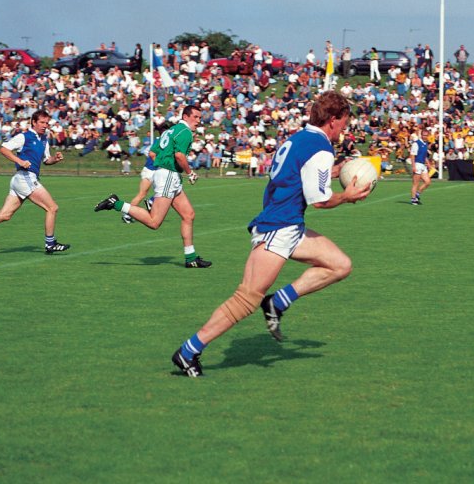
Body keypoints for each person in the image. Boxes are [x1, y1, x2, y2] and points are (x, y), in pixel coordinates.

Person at [171, 91, 371, 378]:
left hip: (289, 226)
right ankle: (188, 351)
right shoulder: (321, 148)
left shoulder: (299, 138)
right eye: (344, 122)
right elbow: (320, 199)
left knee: (340, 265)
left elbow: (294, 175)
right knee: (246, 298)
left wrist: (336, 168)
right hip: (278, 228)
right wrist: (347, 197)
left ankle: (278, 302)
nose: (345, 129)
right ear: (333, 119)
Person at [94, 105, 211, 268]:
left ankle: (190, 258)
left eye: (200, 117)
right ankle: (116, 203)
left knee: (188, 215)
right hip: (169, 175)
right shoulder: (185, 132)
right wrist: (190, 172)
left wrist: (164, 165)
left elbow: (153, 152)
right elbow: (179, 155)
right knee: (154, 222)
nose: (199, 121)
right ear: (185, 117)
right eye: (196, 117)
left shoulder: (170, 131)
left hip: (167, 175)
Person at [0, 110, 70, 255]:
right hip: (25, 178)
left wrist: (55, 159)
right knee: (52, 208)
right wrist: (19, 161)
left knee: (5, 214)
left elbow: (46, 160)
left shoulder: (44, 139)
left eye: (47, 123)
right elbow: (3, 149)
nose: (45, 125)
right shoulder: (24, 137)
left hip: (22, 180)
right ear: (34, 122)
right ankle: (50, 244)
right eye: (42, 122)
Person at [409, 130, 431, 205]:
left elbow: (424, 156)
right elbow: (412, 155)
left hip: (423, 165)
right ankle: (413, 199)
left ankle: (417, 194)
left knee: (427, 182)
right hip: (417, 164)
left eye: (426, 135)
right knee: (416, 183)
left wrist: (428, 163)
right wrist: (413, 166)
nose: (425, 136)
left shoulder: (425, 144)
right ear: (421, 135)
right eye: (424, 135)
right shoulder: (416, 143)